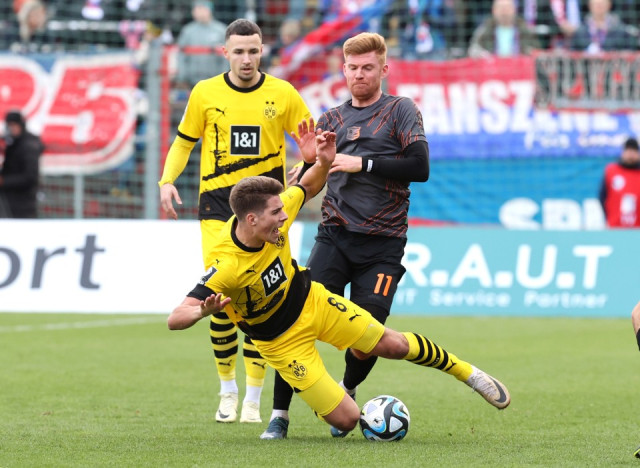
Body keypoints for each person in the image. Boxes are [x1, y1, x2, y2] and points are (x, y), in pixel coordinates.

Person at [166, 129, 511, 438]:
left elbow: (307, 186)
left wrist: (323, 161)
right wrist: (200, 312)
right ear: (252, 219)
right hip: (281, 343)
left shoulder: (275, 213)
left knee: (391, 344)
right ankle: (317, 399)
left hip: (314, 302)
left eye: (283, 210)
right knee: (346, 420)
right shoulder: (226, 265)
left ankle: (469, 374)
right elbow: (175, 317)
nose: (285, 217)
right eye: (276, 214)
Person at [261, 31, 432, 440]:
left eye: (368, 67)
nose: (359, 74)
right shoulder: (331, 119)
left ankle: (348, 390)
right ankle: (280, 415)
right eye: (353, 68)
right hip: (334, 236)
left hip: (383, 243)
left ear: (384, 69)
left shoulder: (400, 110)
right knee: (293, 319)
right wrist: (309, 165)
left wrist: (363, 164)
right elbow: (316, 180)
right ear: (343, 69)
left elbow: (420, 167)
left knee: (368, 334)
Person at [158, 18, 312, 425]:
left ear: (262, 51)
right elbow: (183, 142)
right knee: (222, 301)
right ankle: (228, 390)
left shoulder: (283, 94)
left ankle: (254, 399)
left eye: (253, 51)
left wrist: (307, 161)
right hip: (217, 211)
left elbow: (312, 141)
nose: (246, 59)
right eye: (239, 51)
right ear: (224, 52)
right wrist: (167, 180)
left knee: (266, 301)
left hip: (267, 217)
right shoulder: (205, 93)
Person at [174, 0, 227, 89]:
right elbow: (181, 54)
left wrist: (224, 76)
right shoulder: (187, 31)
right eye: (196, 9)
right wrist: (182, 76)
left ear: (209, 9)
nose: (199, 12)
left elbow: (226, 56)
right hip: (192, 82)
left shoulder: (221, 30)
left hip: (215, 81)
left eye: (202, 8)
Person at [0, 110, 43, 218]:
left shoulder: (28, 146)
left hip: (23, 203)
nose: (12, 129)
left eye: (14, 125)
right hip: (10, 200)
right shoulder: (13, 142)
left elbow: (30, 177)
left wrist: (4, 181)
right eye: (10, 125)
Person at [468, 0, 539, 58]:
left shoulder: (524, 29)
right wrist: (480, 54)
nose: (504, 12)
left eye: (507, 8)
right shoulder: (485, 28)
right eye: (501, 8)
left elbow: (536, 49)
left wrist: (528, 52)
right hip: (492, 68)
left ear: (514, 10)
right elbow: (473, 48)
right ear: (493, 10)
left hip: (519, 68)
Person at [598, 137, 640, 227]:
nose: (631, 154)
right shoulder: (612, 171)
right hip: (615, 226)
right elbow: (602, 197)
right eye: (628, 150)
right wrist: (608, 217)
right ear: (623, 153)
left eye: (634, 151)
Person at [569, 0, 637, 53]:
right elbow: (573, 51)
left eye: (602, 5)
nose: (599, 8)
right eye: (596, 5)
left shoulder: (620, 30)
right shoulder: (581, 31)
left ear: (609, 5)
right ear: (589, 6)